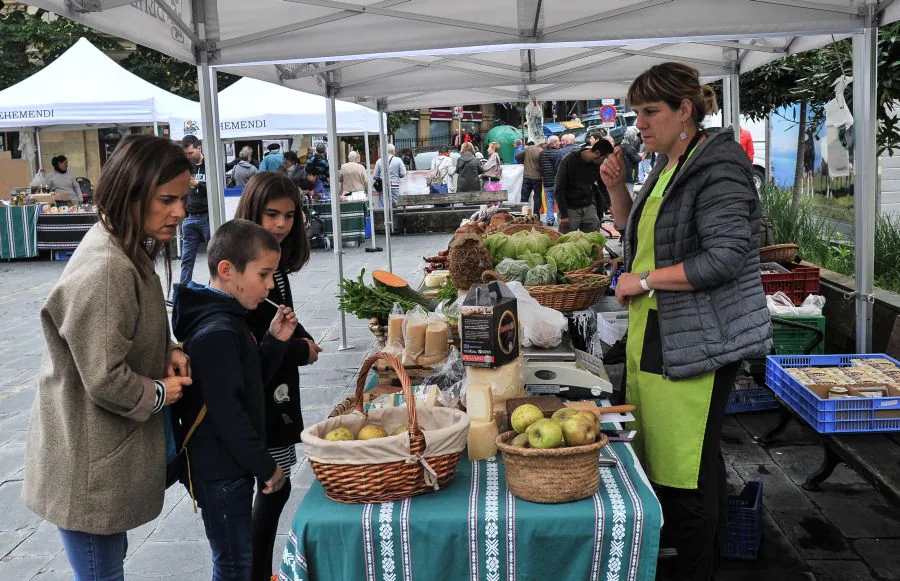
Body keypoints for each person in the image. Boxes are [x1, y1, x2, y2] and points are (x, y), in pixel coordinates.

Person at [600, 62, 772, 581]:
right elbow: (649, 233)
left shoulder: (717, 167)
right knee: (686, 459)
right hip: (661, 331)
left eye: (651, 112)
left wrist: (645, 280)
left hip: (696, 334)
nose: (641, 124)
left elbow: (723, 257)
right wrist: (616, 191)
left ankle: (695, 566)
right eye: (637, 113)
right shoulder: (671, 162)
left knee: (686, 469)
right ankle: (684, 550)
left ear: (685, 111)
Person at [23, 135, 194, 580]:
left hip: (97, 453)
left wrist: (169, 348)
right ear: (131, 193)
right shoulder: (107, 267)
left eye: (184, 198)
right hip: (87, 462)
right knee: (102, 573)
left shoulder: (124, 245)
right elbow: (104, 377)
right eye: (167, 199)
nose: (179, 211)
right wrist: (161, 392)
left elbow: (128, 328)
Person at [172, 219, 298, 581]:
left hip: (228, 467)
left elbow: (247, 383)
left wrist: (273, 341)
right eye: (264, 274)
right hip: (220, 470)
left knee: (237, 561)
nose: (271, 285)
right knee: (234, 565)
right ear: (227, 271)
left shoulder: (227, 317)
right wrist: (265, 465)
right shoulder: (218, 330)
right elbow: (228, 414)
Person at [234, 173, 321, 581]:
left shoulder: (276, 265)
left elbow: (280, 313)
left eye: (289, 215)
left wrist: (303, 337)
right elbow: (254, 340)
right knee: (275, 486)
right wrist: (300, 348)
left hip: (278, 392)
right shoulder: (247, 269)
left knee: (277, 485)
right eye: (272, 214)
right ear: (253, 211)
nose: (282, 224)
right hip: (262, 396)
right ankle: (256, 573)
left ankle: (257, 570)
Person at [555, 139, 613, 233]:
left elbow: (602, 186)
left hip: (588, 205)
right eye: (604, 158)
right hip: (570, 208)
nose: (604, 162)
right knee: (567, 241)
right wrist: (564, 214)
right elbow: (559, 188)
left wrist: (610, 206)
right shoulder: (569, 160)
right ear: (597, 153)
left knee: (594, 238)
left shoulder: (597, 164)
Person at [179, 135, 211, 289]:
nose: (189, 156)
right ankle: (183, 289)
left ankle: (215, 288)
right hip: (190, 216)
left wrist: (199, 184)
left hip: (207, 216)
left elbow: (216, 187)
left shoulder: (210, 165)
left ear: (199, 148)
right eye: (186, 154)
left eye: (191, 153)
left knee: (214, 256)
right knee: (186, 258)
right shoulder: (186, 167)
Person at [538, 135, 562, 225]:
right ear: (554, 143)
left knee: (549, 201)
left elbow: (541, 167)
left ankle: (550, 220)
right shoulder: (559, 153)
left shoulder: (542, 153)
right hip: (557, 181)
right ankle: (560, 219)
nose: (559, 143)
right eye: (558, 141)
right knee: (559, 201)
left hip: (547, 182)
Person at [516, 141, 543, 213]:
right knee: (537, 197)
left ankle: (524, 214)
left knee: (524, 197)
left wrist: (523, 161)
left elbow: (517, 156)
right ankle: (536, 214)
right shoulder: (541, 150)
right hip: (537, 177)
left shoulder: (527, 149)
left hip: (527, 177)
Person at [620, 128, 644, 196]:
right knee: (630, 191)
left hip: (622, 172)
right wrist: (640, 156)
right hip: (630, 172)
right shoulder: (630, 148)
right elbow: (636, 159)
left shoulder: (620, 146)